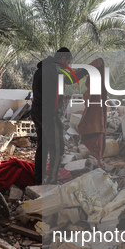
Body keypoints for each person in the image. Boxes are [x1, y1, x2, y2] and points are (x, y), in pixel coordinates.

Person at [31, 47, 87, 184]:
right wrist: (85, 71)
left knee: (42, 147)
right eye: (68, 61)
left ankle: (38, 180)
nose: (68, 65)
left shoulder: (41, 69)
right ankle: (52, 180)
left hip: (36, 111)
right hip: (48, 114)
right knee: (57, 147)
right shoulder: (54, 68)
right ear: (63, 59)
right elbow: (70, 78)